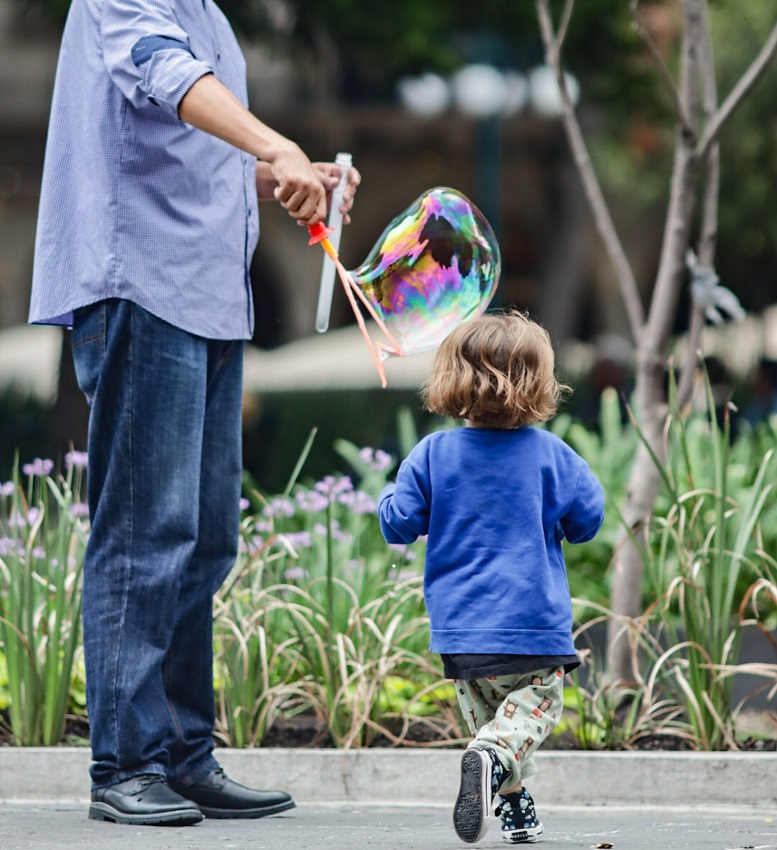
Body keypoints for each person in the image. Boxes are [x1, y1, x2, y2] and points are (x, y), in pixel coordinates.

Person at [28, 0, 360, 828]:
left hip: (210, 294)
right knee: (146, 531)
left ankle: (181, 752)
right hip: (141, 281)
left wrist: (291, 175)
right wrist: (272, 143)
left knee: (205, 533)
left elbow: (191, 144)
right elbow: (160, 69)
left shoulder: (208, 13)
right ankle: (126, 764)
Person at [377, 311, 604, 844]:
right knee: (522, 724)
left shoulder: (431, 454)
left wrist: (392, 491)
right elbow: (588, 521)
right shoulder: (554, 455)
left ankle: (517, 813)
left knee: (493, 729)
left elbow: (398, 522)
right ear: (539, 383)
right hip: (532, 631)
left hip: (462, 635)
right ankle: (493, 769)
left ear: (451, 379)